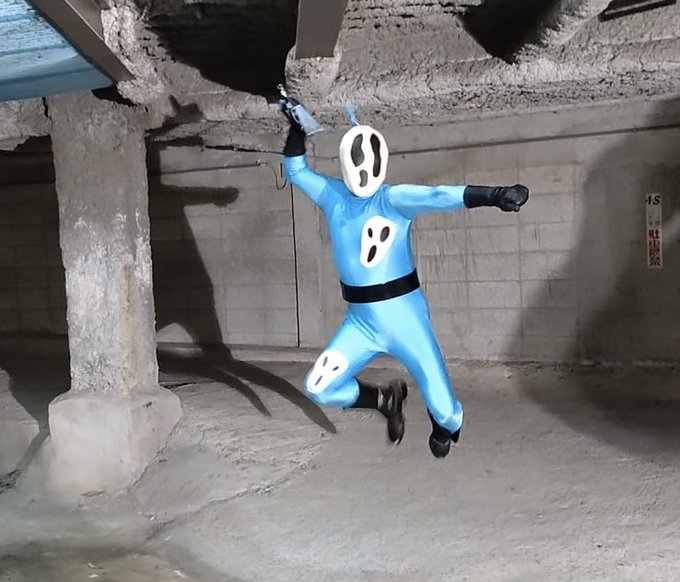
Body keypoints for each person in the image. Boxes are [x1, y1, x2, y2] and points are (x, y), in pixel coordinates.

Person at [280, 98, 529, 458]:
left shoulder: (393, 199)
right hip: (361, 323)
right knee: (320, 386)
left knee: (446, 412)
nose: (361, 172)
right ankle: (384, 400)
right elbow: (296, 170)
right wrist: (296, 129)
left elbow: (439, 196)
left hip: (405, 319)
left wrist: (495, 195)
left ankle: (442, 425)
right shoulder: (334, 196)